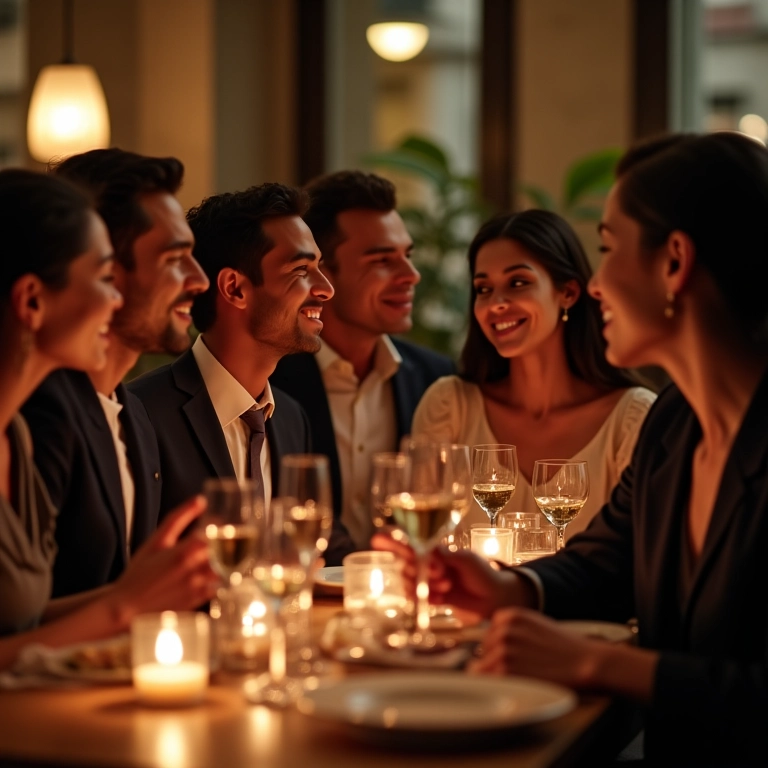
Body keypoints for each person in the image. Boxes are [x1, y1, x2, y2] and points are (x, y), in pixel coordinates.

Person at [376, 131, 768, 768]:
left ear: (675, 262)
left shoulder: (645, 415)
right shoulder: (676, 424)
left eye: (609, 250)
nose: (594, 285)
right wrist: (509, 589)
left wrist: (595, 661)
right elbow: (604, 561)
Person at [0, 168, 217, 669]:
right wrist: (124, 606)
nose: (114, 298)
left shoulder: (15, 437)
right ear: (32, 300)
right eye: (102, 279)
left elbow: (26, 623)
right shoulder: (44, 413)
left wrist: (150, 590)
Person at [128, 183, 354, 565]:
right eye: (302, 270)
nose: (326, 289)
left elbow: (325, 544)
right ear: (235, 288)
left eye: (320, 268)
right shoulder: (142, 415)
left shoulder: (290, 418)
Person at [411, 209, 655, 536]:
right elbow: (422, 545)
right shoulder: (450, 407)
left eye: (518, 283)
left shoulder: (632, 420)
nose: (496, 303)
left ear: (568, 292)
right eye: (483, 289)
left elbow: (644, 562)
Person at [271, 171, 455, 552]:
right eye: (382, 261)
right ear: (322, 271)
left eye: (407, 256)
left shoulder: (437, 381)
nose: (412, 276)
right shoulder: (270, 382)